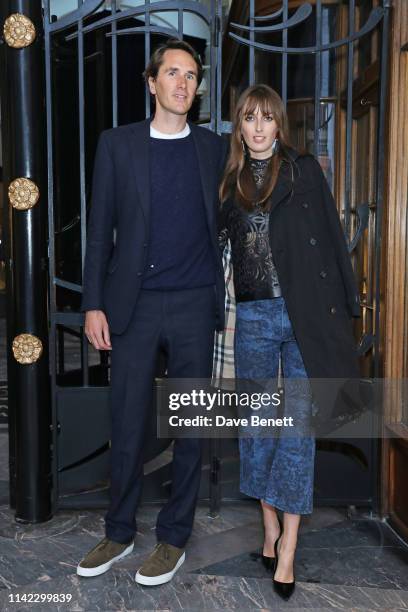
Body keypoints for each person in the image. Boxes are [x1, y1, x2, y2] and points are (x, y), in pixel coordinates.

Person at [77, 39, 228, 585]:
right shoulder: (117, 145)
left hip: (193, 303)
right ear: (152, 82)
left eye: (191, 75)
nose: (183, 83)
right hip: (133, 306)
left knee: (189, 426)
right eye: (172, 73)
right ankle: (118, 532)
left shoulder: (212, 149)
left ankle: (173, 538)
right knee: (128, 421)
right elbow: (99, 235)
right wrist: (93, 302)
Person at [218, 84, 360, 600]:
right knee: (257, 428)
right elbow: (217, 252)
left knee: (297, 429)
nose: (259, 127)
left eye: (268, 118)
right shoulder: (229, 181)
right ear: (240, 125)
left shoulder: (302, 172)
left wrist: (348, 307)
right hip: (253, 316)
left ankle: (290, 548)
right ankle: (269, 524)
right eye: (250, 118)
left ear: (281, 124)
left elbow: (334, 244)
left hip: (304, 317)